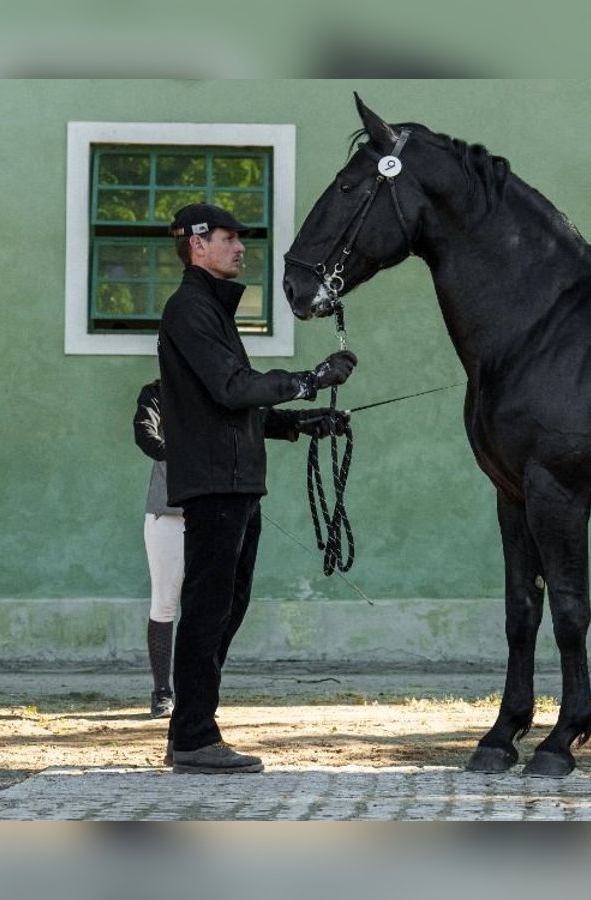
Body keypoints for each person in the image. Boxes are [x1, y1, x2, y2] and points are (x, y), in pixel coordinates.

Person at [158, 202, 355, 774]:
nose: (241, 248)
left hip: (236, 483)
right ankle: (195, 737)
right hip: (217, 485)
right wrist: (309, 380)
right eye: (229, 238)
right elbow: (230, 387)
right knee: (208, 608)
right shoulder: (190, 309)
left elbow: (232, 404)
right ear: (197, 244)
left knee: (225, 608)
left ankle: (188, 732)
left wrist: (300, 421)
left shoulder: (209, 311)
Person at [133, 378, 182, 719]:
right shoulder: (158, 393)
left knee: (208, 604)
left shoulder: (219, 385)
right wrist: (175, 454)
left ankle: (198, 691)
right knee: (164, 603)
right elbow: (144, 433)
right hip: (167, 511)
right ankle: (162, 691)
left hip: (213, 510)